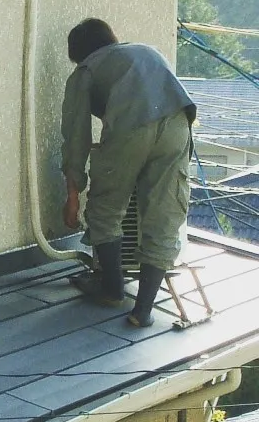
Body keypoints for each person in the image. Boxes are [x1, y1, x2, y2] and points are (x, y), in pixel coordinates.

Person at [60, 18, 196, 327]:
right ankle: (143, 311)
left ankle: (112, 289)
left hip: (132, 127)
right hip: (178, 124)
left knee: (106, 207)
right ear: (112, 38)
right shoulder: (147, 52)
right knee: (164, 214)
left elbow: (76, 136)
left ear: (80, 53)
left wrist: (72, 196)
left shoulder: (86, 69)